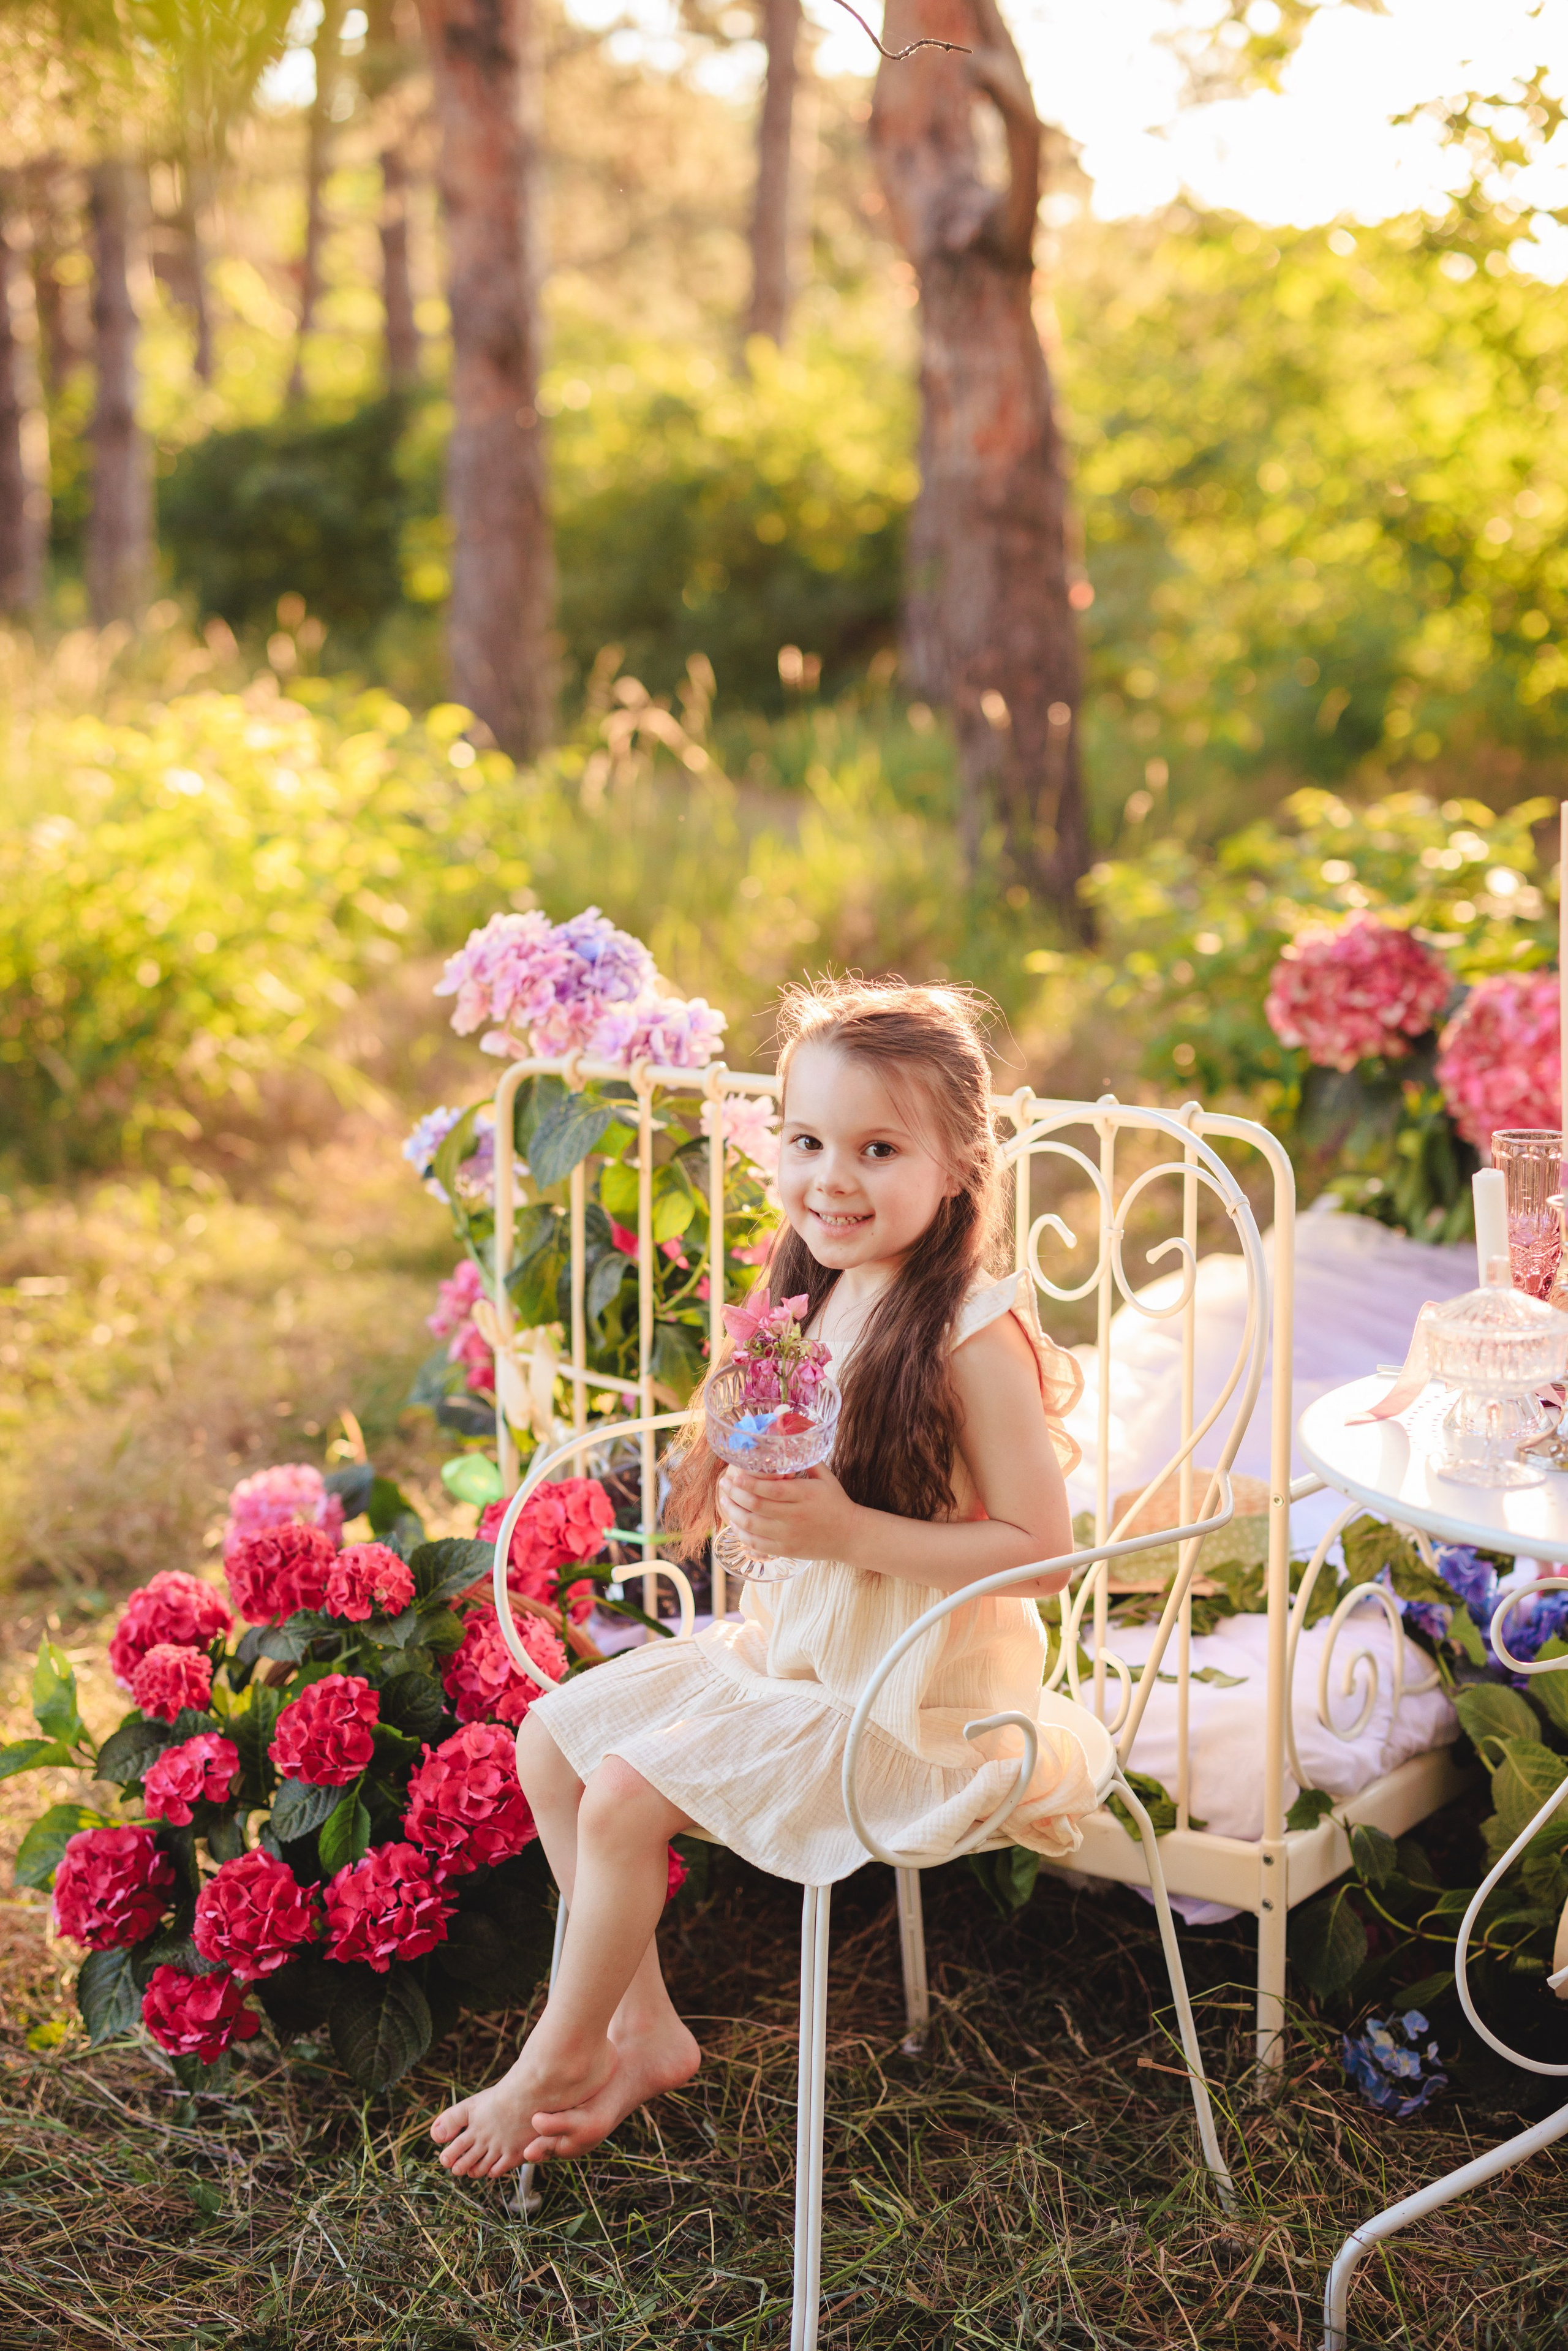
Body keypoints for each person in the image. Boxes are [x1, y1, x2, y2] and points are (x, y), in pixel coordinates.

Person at [431, 978, 1097, 2179]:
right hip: (795, 1657)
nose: (829, 1176)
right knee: (551, 1742)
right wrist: (752, 1500)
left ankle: (552, 2056)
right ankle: (641, 2028)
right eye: (804, 1140)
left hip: (914, 1704)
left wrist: (844, 1531)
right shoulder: (818, 1290)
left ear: (956, 1164)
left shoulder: (970, 1335)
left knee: (627, 1793)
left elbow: (1042, 1554)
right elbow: (794, 1485)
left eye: (875, 1147)